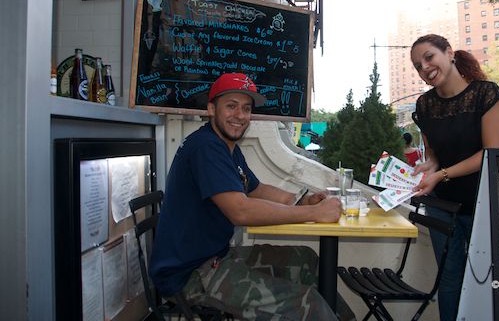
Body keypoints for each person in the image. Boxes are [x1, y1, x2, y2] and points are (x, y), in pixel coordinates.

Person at [149, 73, 355, 321]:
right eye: (231, 106)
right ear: (211, 109)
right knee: (308, 305)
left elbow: (255, 189)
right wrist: (313, 213)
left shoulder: (225, 146)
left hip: (216, 257)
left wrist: (300, 200)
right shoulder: (205, 148)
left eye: (246, 108)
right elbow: (241, 211)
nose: (240, 115)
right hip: (192, 274)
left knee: (307, 260)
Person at [409, 34, 499, 321]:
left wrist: (440, 174)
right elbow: (434, 155)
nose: (424, 67)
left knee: (487, 278)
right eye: (417, 65)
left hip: (484, 203)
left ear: (449, 53)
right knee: (450, 278)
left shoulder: (486, 94)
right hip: (442, 205)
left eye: (429, 57)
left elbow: (491, 154)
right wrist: (428, 168)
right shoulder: (424, 105)